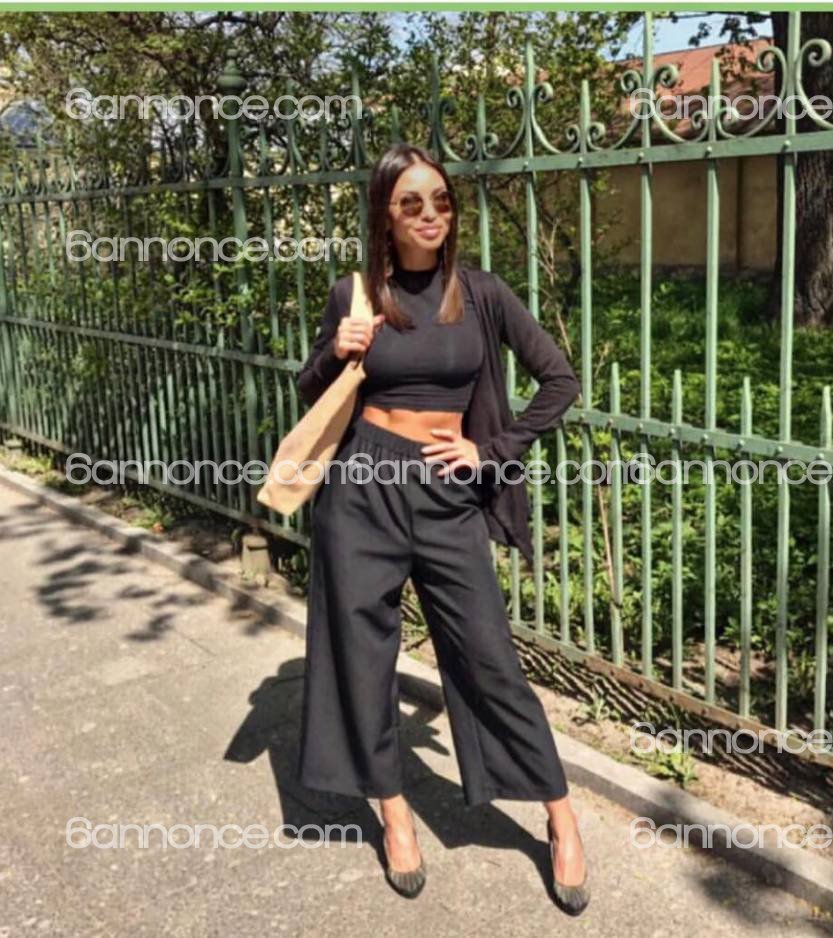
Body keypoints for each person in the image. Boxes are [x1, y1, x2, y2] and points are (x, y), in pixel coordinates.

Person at [295, 142, 589, 915]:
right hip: (362, 487)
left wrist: (490, 451)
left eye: (442, 201)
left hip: (446, 490)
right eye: (412, 203)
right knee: (362, 660)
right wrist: (336, 351)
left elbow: (559, 380)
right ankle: (393, 813)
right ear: (385, 216)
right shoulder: (356, 294)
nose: (431, 215)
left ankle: (560, 816)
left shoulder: (480, 292)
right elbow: (310, 390)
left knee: (489, 656)